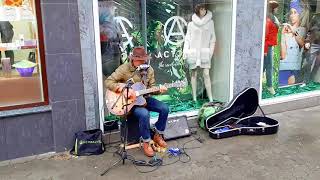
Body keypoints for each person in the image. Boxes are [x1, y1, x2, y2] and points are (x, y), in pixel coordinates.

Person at [105, 46, 169, 157]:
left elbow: (152, 88)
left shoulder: (149, 70)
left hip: (144, 98)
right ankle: (146, 142)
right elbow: (108, 82)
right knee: (144, 114)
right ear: (133, 59)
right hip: (130, 103)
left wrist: (159, 90)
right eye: (140, 60)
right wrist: (124, 90)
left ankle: (158, 135)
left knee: (164, 108)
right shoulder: (124, 69)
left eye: (144, 59)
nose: (142, 62)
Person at [183, 3, 216, 102]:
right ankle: (194, 98)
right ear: (197, 10)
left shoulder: (210, 23)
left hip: (205, 53)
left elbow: (213, 38)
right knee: (194, 74)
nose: (203, 11)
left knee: (206, 74)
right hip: (193, 53)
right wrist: (186, 51)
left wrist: (210, 51)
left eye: (204, 9)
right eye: (201, 9)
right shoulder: (191, 24)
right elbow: (187, 39)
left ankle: (210, 98)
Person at [279, 0, 309, 86]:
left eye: (295, 12)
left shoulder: (302, 30)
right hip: (283, 67)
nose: (292, 15)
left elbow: (302, 44)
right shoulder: (285, 29)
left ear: (300, 14)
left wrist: (294, 31)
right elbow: (283, 54)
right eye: (291, 13)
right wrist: (282, 35)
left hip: (295, 68)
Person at [264, 0, 280, 95]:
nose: (277, 9)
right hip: (267, 47)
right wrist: (265, 50)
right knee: (268, 67)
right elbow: (265, 36)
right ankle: (269, 86)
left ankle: (268, 85)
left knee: (267, 67)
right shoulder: (268, 20)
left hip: (270, 46)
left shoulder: (273, 18)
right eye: (275, 7)